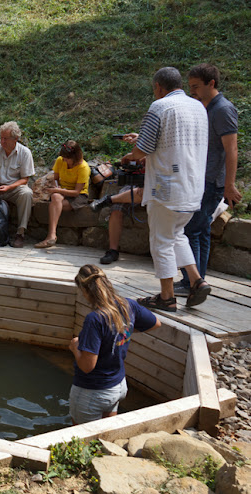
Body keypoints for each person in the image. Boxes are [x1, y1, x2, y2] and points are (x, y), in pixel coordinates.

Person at [122, 67, 210, 312]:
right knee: (176, 234)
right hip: (192, 185)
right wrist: (142, 139)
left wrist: (132, 154)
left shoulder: (159, 107)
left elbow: (144, 149)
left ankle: (167, 296)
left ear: (159, 87)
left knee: (161, 241)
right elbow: (177, 140)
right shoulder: (198, 107)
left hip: (166, 187)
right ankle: (196, 280)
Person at [174, 64, 240, 297]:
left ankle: (191, 282)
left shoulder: (222, 109)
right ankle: (197, 280)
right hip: (201, 180)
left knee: (192, 230)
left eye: (195, 86)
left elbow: (231, 150)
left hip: (211, 182)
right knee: (199, 231)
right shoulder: (206, 107)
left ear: (211, 84)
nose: (192, 91)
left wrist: (230, 185)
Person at [69, 264, 160, 424]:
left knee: (81, 445)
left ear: (84, 290)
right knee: (106, 440)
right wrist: (125, 331)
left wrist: (75, 347)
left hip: (92, 392)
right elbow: (155, 323)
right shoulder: (128, 305)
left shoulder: (95, 319)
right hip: (117, 387)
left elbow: (87, 366)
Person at [35, 140, 91, 249]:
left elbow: (76, 192)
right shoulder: (60, 161)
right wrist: (57, 187)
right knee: (55, 198)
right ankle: (52, 235)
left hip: (78, 196)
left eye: (67, 158)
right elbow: (55, 178)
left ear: (75, 157)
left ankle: (50, 236)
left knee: (55, 201)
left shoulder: (83, 167)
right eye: (64, 157)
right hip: (62, 191)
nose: (65, 160)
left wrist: (58, 191)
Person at [92, 186, 144, 264]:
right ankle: (113, 251)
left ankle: (109, 199)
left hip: (157, 185)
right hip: (134, 183)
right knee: (117, 207)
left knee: (145, 191)